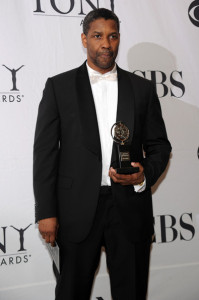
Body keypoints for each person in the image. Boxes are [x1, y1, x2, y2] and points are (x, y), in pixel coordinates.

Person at [33, 8, 171, 300]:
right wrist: (46, 211)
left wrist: (143, 173)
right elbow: (45, 154)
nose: (106, 43)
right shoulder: (59, 87)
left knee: (131, 292)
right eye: (98, 36)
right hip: (75, 211)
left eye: (113, 36)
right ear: (84, 39)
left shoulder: (142, 89)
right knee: (71, 292)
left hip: (130, 208)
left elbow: (160, 146)